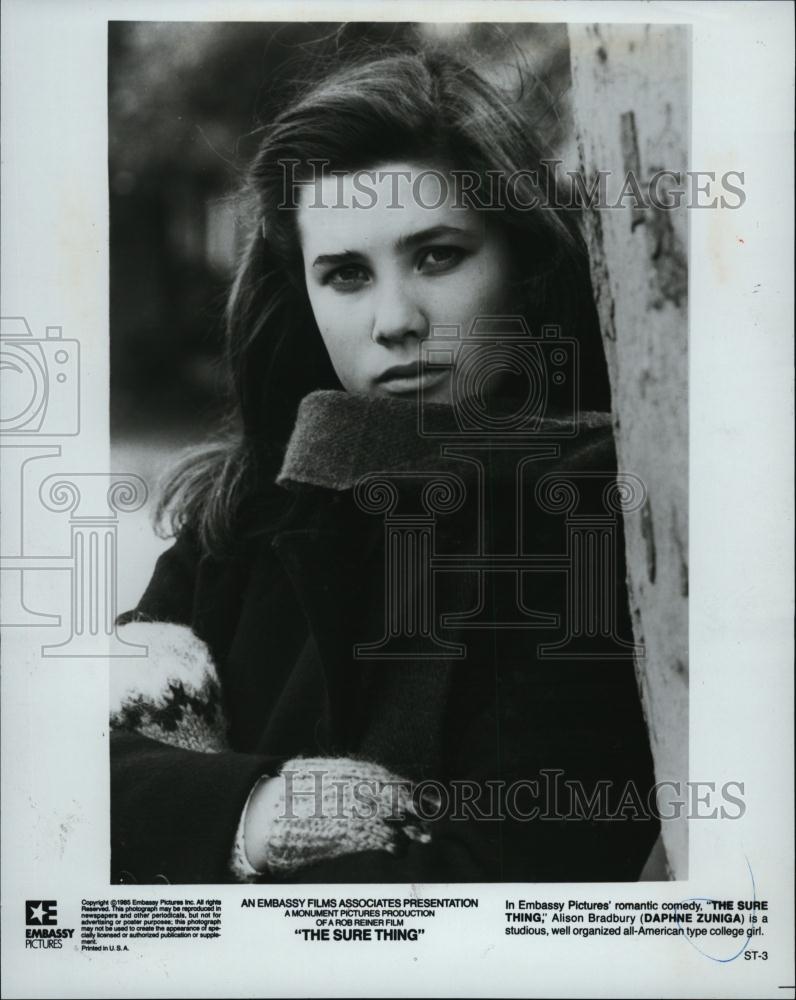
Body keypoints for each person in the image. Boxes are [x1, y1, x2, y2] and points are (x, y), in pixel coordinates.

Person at [110, 47, 660, 884]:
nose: (396, 320)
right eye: (346, 275)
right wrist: (260, 816)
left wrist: (187, 814)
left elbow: (503, 876)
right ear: (302, 294)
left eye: (437, 255)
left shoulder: (593, 517)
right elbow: (62, 766)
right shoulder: (256, 505)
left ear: (521, 262)